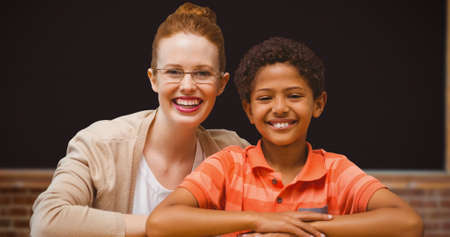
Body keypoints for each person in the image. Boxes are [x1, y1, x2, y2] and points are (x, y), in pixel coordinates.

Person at [146, 37, 424, 237]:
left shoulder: (336, 171)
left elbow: (407, 223)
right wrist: (260, 221)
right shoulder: (228, 166)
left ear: (318, 104)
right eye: (265, 98)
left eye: (294, 95)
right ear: (249, 110)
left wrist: (293, 229)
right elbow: (161, 223)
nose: (280, 108)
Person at [30, 2, 249, 237]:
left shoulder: (233, 152)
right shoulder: (99, 144)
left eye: (202, 73)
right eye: (174, 72)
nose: (187, 86)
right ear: (153, 78)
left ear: (221, 83)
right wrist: (164, 225)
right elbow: (46, 222)